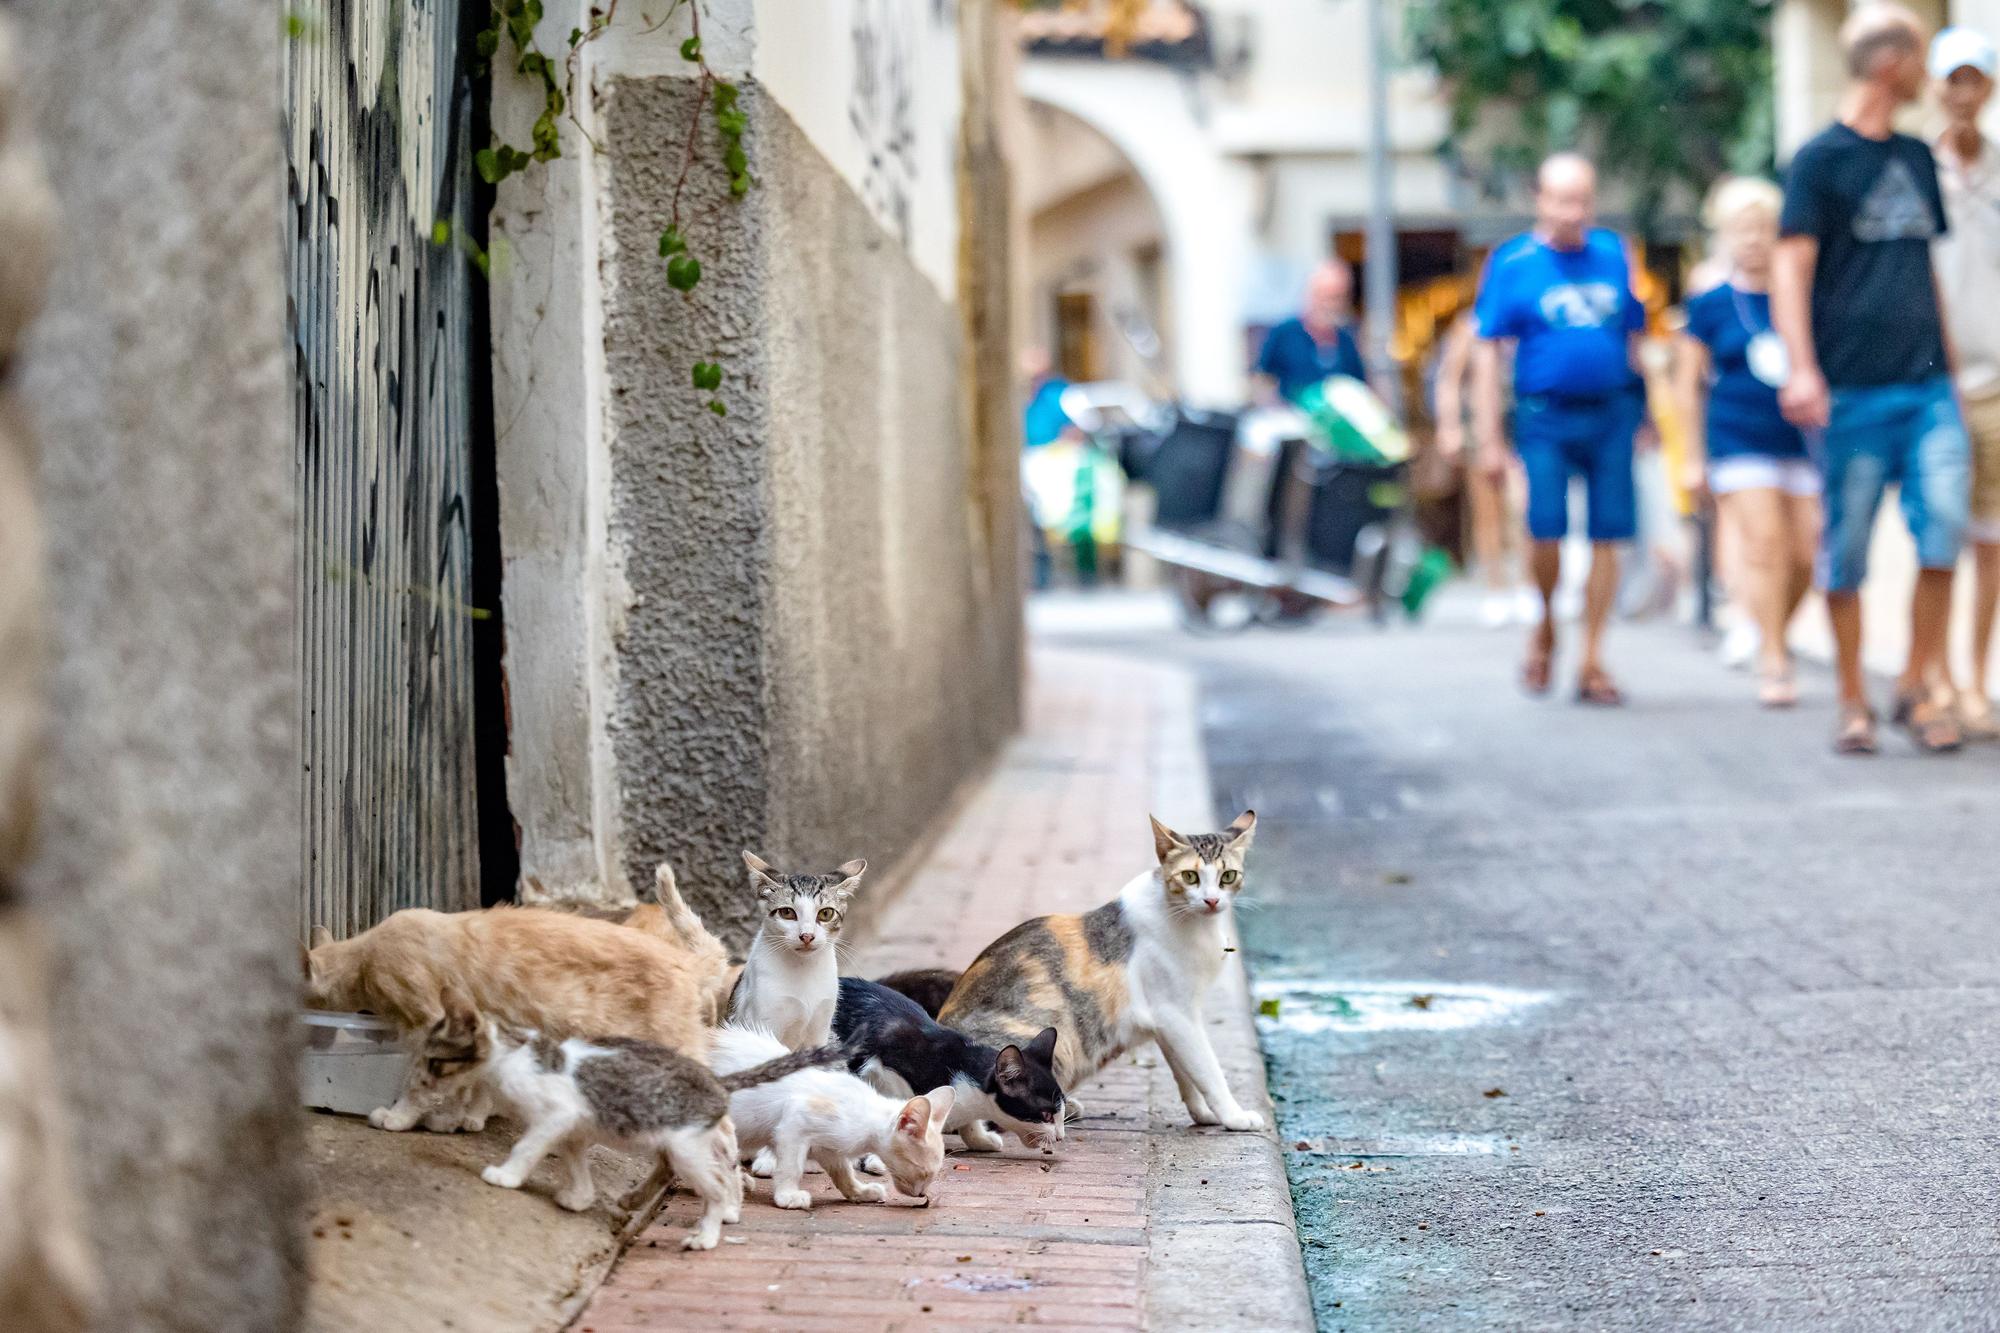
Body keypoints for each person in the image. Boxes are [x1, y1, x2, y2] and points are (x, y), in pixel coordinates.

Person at [1773, 2, 1969, 754]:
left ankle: (1916, 684)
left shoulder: (1917, 157)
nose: (1924, 74)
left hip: (1927, 392)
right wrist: (1802, 368)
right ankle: (1852, 697)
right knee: (1848, 548)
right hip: (1850, 389)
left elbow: (1930, 275)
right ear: (1893, 64)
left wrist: (1949, 374)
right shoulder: (1820, 161)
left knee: (1944, 528)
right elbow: (1792, 268)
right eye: (1920, 58)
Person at [1472, 152, 1649, 704]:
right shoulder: (1513, 262)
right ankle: (1545, 622)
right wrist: (1489, 440)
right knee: (1543, 529)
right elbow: (1487, 353)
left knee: (1608, 536)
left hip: (1611, 413)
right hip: (1544, 414)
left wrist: (1647, 413)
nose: (1573, 212)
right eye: (1562, 200)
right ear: (1540, 200)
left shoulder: (1615, 254)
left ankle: (1593, 656)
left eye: (1583, 200)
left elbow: (1635, 337)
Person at [1676, 177, 1822, 708]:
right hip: (1736, 439)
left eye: (1764, 228)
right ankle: (1776, 662)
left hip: (1799, 438)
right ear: (1727, 237)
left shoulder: (1802, 296)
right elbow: (1687, 384)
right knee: (1763, 544)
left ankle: (1767, 629)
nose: (1755, 240)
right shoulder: (1711, 304)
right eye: (1744, 230)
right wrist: (1691, 458)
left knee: (1806, 554)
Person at [1930, 26, 2000, 740]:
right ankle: (1939, 675)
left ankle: (1978, 678)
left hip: (1998, 385)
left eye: (1974, 78)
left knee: (1991, 542)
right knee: (1939, 538)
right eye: (1952, 78)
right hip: (1934, 387)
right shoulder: (1917, 175)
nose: (1962, 92)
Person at [1434, 309, 1535, 627]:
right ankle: (1495, 588)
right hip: (1481, 428)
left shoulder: (1527, 317)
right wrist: (1449, 426)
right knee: (1487, 513)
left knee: (1525, 509)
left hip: (1524, 426)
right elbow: (1449, 379)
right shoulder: (1470, 326)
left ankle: (1528, 584)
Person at [1254, 261, 1368, 404]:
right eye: (1324, 295)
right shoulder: (1284, 333)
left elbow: (1359, 387)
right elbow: (1263, 379)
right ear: (1310, 294)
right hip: (1292, 418)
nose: (1330, 304)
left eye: (1337, 297)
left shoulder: (1347, 339)